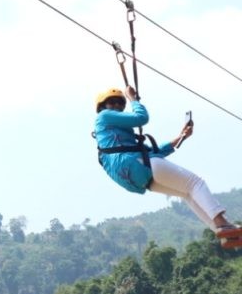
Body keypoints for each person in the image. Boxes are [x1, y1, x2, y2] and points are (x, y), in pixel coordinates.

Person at [94, 85, 242, 242]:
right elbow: (141, 118)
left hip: (138, 177)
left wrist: (181, 137)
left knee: (187, 193)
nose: (117, 105)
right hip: (136, 165)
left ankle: (227, 236)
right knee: (195, 183)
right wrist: (133, 99)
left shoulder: (115, 138)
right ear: (103, 107)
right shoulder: (103, 117)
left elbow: (154, 152)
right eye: (112, 102)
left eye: (119, 102)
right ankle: (223, 224)